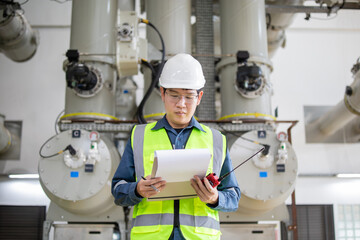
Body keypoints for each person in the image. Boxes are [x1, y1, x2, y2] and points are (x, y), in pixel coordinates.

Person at [112, 53, 240, 240]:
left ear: (199, 97)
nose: (181, 104)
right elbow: (118, 190)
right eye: (174, 95)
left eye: (189, 97)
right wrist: (137, 189)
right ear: (162, 93)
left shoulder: (216, 140)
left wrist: (215, 198)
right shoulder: (139, 136)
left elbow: (233, 196)